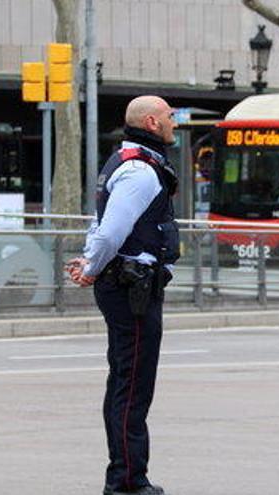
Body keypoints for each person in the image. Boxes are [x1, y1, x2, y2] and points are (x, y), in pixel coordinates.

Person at [66, 95, 180, 495]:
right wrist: (93, 266)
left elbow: (100, 223)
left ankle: (127, 475)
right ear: (151, 122)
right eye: (169, 117)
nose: (174, 123)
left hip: (127, 284)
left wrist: (90, 262)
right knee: (132, 388)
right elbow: (112, 231)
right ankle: (127, 482)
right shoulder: (141, 171)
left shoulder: (126, 160)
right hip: (132, 288)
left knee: (124, 383)